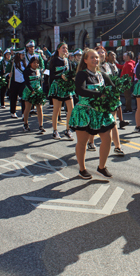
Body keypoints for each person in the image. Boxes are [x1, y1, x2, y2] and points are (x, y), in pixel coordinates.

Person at [68, 48, 115, 179]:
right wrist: (100, 94)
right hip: (85, 113)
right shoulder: (82, 74)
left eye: (97, 57)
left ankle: (102, 167)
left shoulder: (102, 74)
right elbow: (80, 90)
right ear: (85, 60)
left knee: (107, 138)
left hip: (100, 113)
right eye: (92, 57)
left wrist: (114, 95)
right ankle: (82, 169)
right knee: (82, 142)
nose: (96, 59)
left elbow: (113, 87)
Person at [48, 42, 75, 140]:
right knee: (57, 109)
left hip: (67, 87)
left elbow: (71, 73)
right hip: (58, 87)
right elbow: (51, 76)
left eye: (66, 48)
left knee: (71, 109)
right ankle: (55, 131)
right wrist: (60, 76)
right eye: (63, 48)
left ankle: (67, 130)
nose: (65, 49)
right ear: (58, 49)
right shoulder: (54, 60)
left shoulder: (68, 60)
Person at [22, 57, 46, 133]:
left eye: (37, 63)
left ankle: (41, 126)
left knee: (40, 109)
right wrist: (32, 90)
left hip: (38, 91)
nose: (36, 64)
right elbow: (27, 82)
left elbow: (41, 81)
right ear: (30, 63)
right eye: (34, 63)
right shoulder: (27, 71)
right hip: (29, 91)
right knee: (28, 108)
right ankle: (25, 124)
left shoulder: (39, 71)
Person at [6, 50, 26, 118]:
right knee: (14, 97)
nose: (23, 56)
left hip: (23, 82)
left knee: (23, 98)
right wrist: (8, 74)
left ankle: (24, 113)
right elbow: (6, 71)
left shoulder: (24, 62)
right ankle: (13, 111)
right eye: (22, 55)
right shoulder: (12, 62)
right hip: (14, 82)